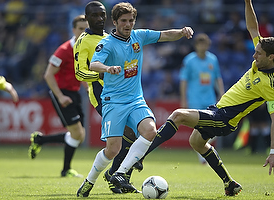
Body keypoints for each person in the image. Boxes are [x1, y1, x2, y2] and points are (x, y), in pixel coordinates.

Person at [140, 0, 274, 196]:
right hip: (217, 109)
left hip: (225, 119)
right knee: (196, 142)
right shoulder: (261, 58)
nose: (254, 56)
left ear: (272, 58)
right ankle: (229, 183)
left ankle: (140, 157)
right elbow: (252, 26)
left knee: (177, 115)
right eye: (255, 51)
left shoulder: (271, 85)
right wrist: (248, 1)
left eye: (258, 54)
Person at [76, 2, 194, 197]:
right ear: (114, 22)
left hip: (135, 100)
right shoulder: (107, 43)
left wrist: (181, 32)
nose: (128, 24)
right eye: (123, 21)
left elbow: (164, 35)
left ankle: (120, 173)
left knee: (150, 130)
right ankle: (89, 181)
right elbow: (95, 64)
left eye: (131, 20)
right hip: (113, 101)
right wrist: (108, 69)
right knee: (112, 149)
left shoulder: (139, 36)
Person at [74, 1, 142, 194]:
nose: (100, 19)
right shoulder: (83, 41)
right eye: (95, 15)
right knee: (127, 135)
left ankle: (117, 176)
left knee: (135, 133)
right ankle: (116, 176)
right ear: (87, 18)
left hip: (121, 93)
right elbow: (79, 73)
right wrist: (101, 74)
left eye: (102, 15)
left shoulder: (109, 37)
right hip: (101, 95)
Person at [28, 15, 89, 178]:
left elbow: (80, 72)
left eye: (86, 29)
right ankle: (65, 170)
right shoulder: (63, 50)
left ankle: (40, 141)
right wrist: (60, 96)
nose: (84, 32)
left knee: (79, 135)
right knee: (77, 134)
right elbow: (48, 75)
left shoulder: (84, 48)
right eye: (81, 29)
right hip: (61, 93)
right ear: (73, 30)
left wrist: (88, 87)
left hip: (74, 93)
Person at [180, 33, 224, 164]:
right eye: (200, 44)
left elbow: (217, 77)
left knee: (213, 128)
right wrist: (183, 98)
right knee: (199, 128)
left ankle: (202, 150)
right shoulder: (189, 60)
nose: (202, 47)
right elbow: (183, 80)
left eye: (204, 44)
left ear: (208, 45)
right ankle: (203, 154)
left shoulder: (213, 59)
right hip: (194, 98)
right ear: (196, 46)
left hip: (209, 98)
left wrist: (222, 94)